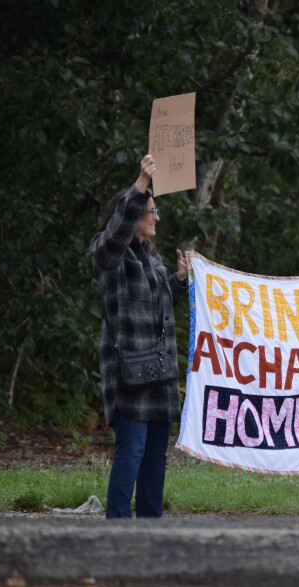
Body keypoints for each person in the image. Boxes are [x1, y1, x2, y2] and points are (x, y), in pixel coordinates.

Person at [89, 154, 189, 519]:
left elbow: (158, 308)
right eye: (152, 211)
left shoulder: (152, 259)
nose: (157, 217)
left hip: (159, 373)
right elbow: (116, 235)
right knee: (131, 450)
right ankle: (118, 523)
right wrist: (141, 184)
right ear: (131, 216)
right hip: (130, 372)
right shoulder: (109, 255)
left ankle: (151, 524)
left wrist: (178, 281)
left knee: (155, 455)